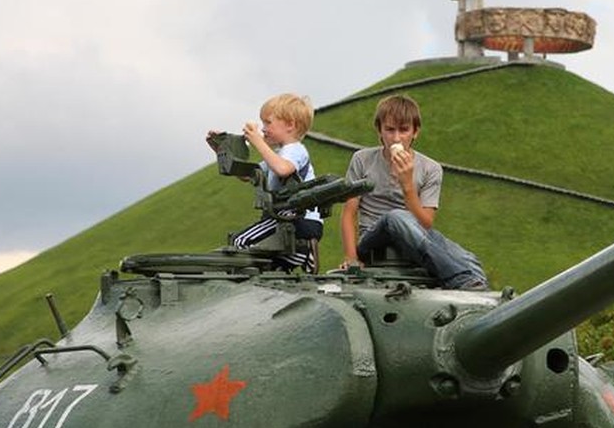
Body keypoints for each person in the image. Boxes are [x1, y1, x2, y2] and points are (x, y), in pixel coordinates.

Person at [340, 94, 488, 290]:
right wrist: (351, 257)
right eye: (389, 130)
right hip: (373, 236)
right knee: (395, 217)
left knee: (469, 260)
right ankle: (459, 280)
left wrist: (407, 185)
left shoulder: (431, 168)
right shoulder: (362, 159)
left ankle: (476, 285)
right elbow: (349, 213)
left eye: (404, 130)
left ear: (415, 131)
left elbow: (426, 222)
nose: (396, 138)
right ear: (379, 130)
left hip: (415, 232)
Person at [208, 93, 322, 272]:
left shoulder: (295, 150)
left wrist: (258, 143)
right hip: (286, 218)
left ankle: (303, 252)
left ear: (290, 124)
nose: (263, 128)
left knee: (240, 242)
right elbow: (248, 175)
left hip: (296, 220)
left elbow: (283, 169)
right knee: (270, 262)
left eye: (268, 122)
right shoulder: (279, 154)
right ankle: (301, 255)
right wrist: (222, 150)